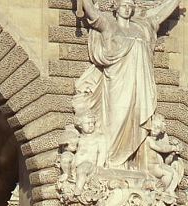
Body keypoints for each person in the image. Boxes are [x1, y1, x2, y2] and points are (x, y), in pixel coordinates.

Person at [76, 0, 182, 168]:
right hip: (116, 83)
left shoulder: (142, 27)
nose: (127, 8)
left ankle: (130, 163)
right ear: (116, 8)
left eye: (129, 6)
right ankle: (110, 162)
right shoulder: (109, 26)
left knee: (136, 118)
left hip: (139, 86)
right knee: (115, 119)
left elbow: (159, 14)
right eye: (123, 5)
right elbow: (93, 14)